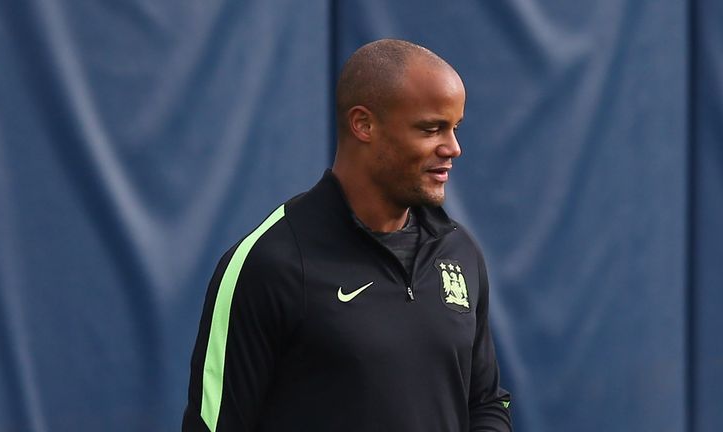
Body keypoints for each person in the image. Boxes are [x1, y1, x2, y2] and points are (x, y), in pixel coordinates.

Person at [182, 39, 512, 432]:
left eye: (454, 128)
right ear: (364, 124)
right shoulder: (270, 263)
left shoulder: (460, 253)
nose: (453, 148)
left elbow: (486, 401)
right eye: (431, 129)